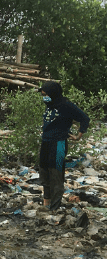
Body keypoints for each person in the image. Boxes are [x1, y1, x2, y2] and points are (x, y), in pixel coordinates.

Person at [38, 81, 89, 211]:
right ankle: (46, 204)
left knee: (56, 176)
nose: (44, 97)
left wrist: (78, 135)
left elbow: (84, 118)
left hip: (59, 144)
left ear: (53, 94)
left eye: (46, 94)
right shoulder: (50, 105)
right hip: (46, 142)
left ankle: (54, 209)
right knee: (45, 173)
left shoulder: (66, 106)